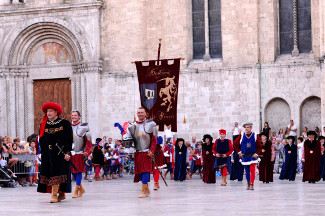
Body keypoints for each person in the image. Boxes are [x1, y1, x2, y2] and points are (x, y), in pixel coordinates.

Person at [37, 102, 73, 203]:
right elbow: (42, 140)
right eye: (47, 111)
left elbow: (69, 139)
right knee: (49, 173)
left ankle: (55, 194)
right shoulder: (43, 125)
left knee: (59, 173)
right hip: (48, 154)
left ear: (56, 112)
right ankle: (59, 194)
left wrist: (68, 152)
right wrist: (41, 153)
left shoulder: (65, 123)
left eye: (51, 111)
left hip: (60, 154)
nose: (48, 113)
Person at [123, 107, 157, 198]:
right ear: (136, 114)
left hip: (147, 152)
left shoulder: (151, 124)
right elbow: (129, 140)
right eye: (139, 112)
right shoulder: (132, 126)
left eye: (142, 112)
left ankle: (143, 190)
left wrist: (152, 151)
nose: (140, 114)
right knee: (140, 172)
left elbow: (154, 140)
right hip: (137, 152)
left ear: (145, 114)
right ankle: (146, 189)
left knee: (145, 170)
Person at [234, 122, 262, 190]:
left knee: (252, 170)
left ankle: (252, 184)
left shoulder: (255, 135)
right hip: (245, 156)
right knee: (246, 171)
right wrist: (239, 152)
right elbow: (235, 144)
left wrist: (257, 154)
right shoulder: (242, 135)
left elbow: (260, 146)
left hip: (252, 156)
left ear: (251, 128)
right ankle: (248, 183)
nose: (246, 129)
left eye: (248, 127)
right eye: (245, 127)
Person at [70, 110, 92, 198]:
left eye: (75, 115)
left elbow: (89, 140)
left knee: (78, 171)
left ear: (79, 117)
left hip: (80, 152)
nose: (73, 117)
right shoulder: (68, 126)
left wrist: (87, 151)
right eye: (72, 115)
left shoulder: (84, 126)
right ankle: (81, 189)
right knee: (73, 172)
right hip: (71, 153)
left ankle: (76, 190)